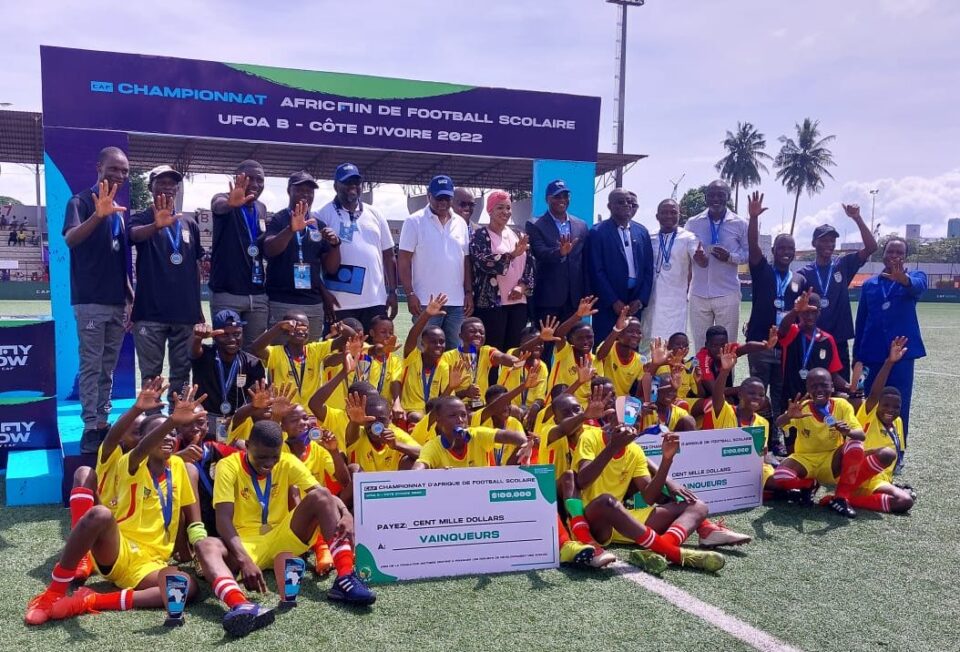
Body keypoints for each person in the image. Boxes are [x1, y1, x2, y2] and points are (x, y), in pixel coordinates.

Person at [24, 387, 205, 626]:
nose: (169, 437)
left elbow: (181, 514)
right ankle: (53, 593)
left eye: (173, 434)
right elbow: (134, 448)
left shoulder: (178, 467)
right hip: (119, 549)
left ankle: (92, 601)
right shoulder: (132, 463)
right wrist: (168, 419)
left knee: (186, 586)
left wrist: (187, 547)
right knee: (99, 511)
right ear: (145, 440)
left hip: (151, 562)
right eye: (162, 433)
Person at [194, 419, 375, 638]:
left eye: (274, 456)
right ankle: (242, 605)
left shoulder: (288, 461)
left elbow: (321, 492)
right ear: (248, 445)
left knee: (321, 497)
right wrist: (244, 560)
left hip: (283, 536)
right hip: (244, 544)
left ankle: (345, 577)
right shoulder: (228, 465)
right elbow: (223, 519)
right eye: (262, 456)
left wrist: (346, 514)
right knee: (205, 545)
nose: (269, 463)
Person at [573, 422, 726, 572]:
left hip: (622, 520)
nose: (630, 424)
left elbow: (648, 497)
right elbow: (582, 481)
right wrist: (613, 446)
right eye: (624, 416)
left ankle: (656, 551)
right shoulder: (589, 437)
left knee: (698, 506)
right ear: (611, 419)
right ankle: (673, 553)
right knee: (606, 501)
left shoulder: (635, 450)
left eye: (635, 419)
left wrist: (667, 460)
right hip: (594, 519)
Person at [62, 146, 133, 453]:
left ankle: (102, 422)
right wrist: (97, 215)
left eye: (125, 171)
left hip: (117, 302)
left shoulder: (117, 208)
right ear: (98, 167)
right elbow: (71, 239)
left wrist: (132, 300)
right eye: (114, 168)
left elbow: (120, 263)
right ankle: (91, 427)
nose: (119, 174)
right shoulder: (80, 201)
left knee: (108, 367)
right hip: (90, 301)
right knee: (92, 366)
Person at [129, 165, 203, 406]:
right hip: (150, 313)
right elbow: (134, 236)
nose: (168, 187)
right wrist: (155, 226)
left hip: (184, 314)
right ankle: (152, 425)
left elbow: (194, 265)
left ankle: (177, 423)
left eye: (172, 183)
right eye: (161, 182)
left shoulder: (188, 223)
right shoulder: (141, 217)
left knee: (182, 374)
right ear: (151, 187)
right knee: (151, 375)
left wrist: (198, 309)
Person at [854, 237, 926, 465]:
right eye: (890, 251)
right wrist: (857, 357)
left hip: (902, 354)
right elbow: (862, 320)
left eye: (899, 252)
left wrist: (901, 278)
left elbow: (917, 287)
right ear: (883, 255)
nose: (894, 255)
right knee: (871, 400)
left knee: (899, 402)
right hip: (873, 353)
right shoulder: (869, 285)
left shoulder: (915, 278)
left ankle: (898, 450)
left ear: (905, 257)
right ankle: (869, 444)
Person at [744, 191, 807, 450]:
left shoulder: (800, 280)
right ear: (773, 251)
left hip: (786, 345)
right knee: (760, 391)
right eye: (781, 248)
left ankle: (777, 438)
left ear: (794, 253)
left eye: (790, 249)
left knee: (781, 392)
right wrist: (754, 218)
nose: (786, 252)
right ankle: (758, 435)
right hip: (760, 341)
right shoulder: (762, 269)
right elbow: (752, 246)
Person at [770, 368, 866, 517]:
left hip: (831, 460)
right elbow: (778, 423)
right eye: (814, 386)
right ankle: (809, 484)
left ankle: (841, 498)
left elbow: (861, 435)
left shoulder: (842, 405)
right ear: (807, 389)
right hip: (805, 459)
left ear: (832, 387)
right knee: (781, 475)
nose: (819, 389)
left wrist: (848, 432)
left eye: (824, 385)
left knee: (855, 445)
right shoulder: (802, 407)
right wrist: (788, 416)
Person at [313, 163, 399, 329]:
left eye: (356, 182)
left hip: (375, 300)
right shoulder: (321, 214)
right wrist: (324, 294)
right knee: (341, 353)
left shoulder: (375, 213)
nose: (353, 186)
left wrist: (393, 291)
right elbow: (315, 261)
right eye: (347, 182)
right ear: (335, 186)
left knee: (373, 352)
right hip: (339, 303)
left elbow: (389, 255)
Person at [798, 204, 878, 379]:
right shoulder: (804, 274)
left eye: (832, 240)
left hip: (839, 338)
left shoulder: (843, 264)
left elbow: (872, 247)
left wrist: (857, 217)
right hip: (814, 339)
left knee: (840, 385)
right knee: (814, 384)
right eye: (824, 240)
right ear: (814, 243)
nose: (829, 244)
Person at [838, 337, 914, 513]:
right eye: (885, 405)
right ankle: (850, 497)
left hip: (881, 480)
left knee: (904, 499)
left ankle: (856, 499)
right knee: (905, 501)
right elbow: (874, 393)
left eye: (896, 407)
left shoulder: (898, 422)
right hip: (863, 476)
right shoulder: (869, 415)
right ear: (877, 404)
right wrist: (889, 362)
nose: (890, 410)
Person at [262, 171, 341, 341]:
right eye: (300, 190)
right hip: (281, 302)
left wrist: (335, 245)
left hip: (312, 304)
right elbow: (269, 250)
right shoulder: (279, 219)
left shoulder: (318, 225)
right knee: (280, 358)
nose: (305, 194)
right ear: (289, 190)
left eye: (309, 191)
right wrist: (291, 229)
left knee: (310, 359)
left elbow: (331, 268)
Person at [399, 174, 472, 350]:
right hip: (425, 301)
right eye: (438, 197)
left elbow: (466, 261)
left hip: (456, 302)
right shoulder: (413, 221)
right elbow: (403, 260)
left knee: (454, 353)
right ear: (428, 196)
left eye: (447, 198)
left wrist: (468, 292)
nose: (443, 203)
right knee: (425, 352)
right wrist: (409, 294)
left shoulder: (461, 223)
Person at [209, 160, 269, 349]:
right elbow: (218, 207)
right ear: (238, 179)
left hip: (257, 294)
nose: (255, 184)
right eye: (250, 178)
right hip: (227, 294)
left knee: (254, 353)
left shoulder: (261, 208)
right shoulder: (222, 198)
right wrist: (231, 204)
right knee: (225, 350)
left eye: (260, 180)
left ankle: (251, 381)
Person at [526, 179, 589, 351]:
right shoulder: (535, 224)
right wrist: (559, 252)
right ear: (547, 199)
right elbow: (539, 252)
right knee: (545, 348)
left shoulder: (581, 225)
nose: (562, 199)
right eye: (557, 196)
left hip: (574, 299)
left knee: (572, 349)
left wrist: (586, 294)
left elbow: (584, 262)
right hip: (548, 298)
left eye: (565, 195)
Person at [685, 180, 748, 352]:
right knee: (700, 346)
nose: (716, 198)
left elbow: (748, 254)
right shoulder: (693, 222)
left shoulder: (740, 223)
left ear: (727, 197)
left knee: (727, 347)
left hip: (727, 293)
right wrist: (696, 256)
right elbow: (686, 249)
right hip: (698, 293)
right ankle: (700, 380)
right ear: (706, 197)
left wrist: (730, 257)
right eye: (711, 194)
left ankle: (727, 379)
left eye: (721, 195)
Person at [470, 190, 535, 351]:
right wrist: (512, 255)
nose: (505, 212)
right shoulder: (480, 236)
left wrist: (522, 286)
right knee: (492, 353)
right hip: (492, 306)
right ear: (489, 210)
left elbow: (530, 265)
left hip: (518, 304)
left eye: (508, 208)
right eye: (500, 208)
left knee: (513, 352)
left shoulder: (518, 234)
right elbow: (484, 263)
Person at [586, 189, 654, 343]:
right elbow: (597, 271)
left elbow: (648, 270)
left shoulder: (642, 232)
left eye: (630, 202)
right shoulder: (597, 232)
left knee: (631, 346)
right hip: (609, 303)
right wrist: (613, 300)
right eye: (621, 202)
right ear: (610, 206)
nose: (627, 205)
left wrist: (641, 299)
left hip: (634, 303)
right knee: (605, 346)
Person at [190, 310, 266, 437]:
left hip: (238, 421)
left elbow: (256, 400)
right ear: (214, 335)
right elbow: (193, 351)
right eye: (225, 335)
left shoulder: (253, 363)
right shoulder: (204, 355)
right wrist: (198, 338)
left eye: (237, 334)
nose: (232, 339)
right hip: (205, 421)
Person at [777, 291, 845, 418]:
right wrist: (795, 310)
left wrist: (849, 386)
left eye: (814, 312)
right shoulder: (792, 331)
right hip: (793, 399)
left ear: (819, 312)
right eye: (805, 311)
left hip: (819, 400)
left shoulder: (828, 339)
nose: (809, 316)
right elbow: (781, 330)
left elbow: (833, 374)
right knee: (793, 437)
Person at [641, 198, 699, 344]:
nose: (668, 216)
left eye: (673, 212)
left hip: (675, 301)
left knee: (673, 344)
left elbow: (699, 259)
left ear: (680, 214)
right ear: (657, 216)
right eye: (664, 212)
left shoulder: (688, 237)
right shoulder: (649, 236)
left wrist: (701, 258)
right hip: (651, 299)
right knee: (646, 342)